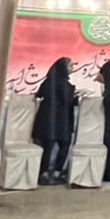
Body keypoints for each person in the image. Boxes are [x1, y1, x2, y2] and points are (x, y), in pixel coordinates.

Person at [32, 57, 76, 185]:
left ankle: (44, 173)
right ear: (64, 68)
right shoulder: (64, 84)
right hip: (61, 121)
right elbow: (67, 100)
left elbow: (38, 95)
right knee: (64, 145)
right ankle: (56, 172)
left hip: (47, 120)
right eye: (70, 66)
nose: (72, 68)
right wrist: (75, 95)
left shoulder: (47, 82)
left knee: (47, 147)